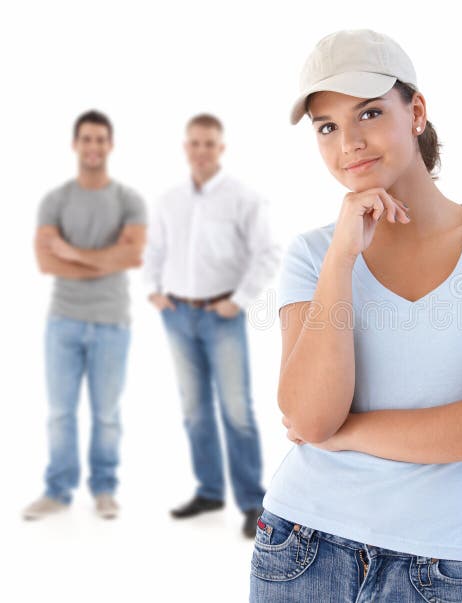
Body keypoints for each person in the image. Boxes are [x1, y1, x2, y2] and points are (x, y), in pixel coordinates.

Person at [249, 30, 462, 602]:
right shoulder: (313, 255)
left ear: (415, 111)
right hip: (300, 550)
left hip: (439, 569)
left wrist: (352, 433)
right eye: (327, 126)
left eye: (368, 113)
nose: (349, 144)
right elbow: (312, 421)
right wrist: (342, 260)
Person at [142, 114, 279, 538]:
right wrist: (153, 290)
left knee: (236, 411)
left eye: (209, 144)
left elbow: (268, 253)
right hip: (177, 315)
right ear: (186, 147)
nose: (201, 150)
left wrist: (236, 301)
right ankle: (208, 490)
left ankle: (252, 500)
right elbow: (154, 250)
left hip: (221, 316)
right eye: (195, 143)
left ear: (221, 148)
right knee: (194, 409)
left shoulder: (243, 198)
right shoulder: (168, 200)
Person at [24, 110, 147, 520]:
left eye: (100, 140)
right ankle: (57, 491)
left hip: (112, 322)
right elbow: (46, 262)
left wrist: (73, 252)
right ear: (75, 144)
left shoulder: (128, 199)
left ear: (110, 145)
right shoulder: (55, 200)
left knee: (106, 414)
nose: (93, 147)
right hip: (63, 320)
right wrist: (104, 258)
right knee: (60, 412)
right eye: (87, 139)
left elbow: (132, 254)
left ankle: (104, 489)